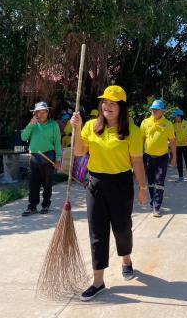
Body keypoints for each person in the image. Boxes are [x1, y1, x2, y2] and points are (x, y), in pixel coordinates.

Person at [70, 85, 147, 301]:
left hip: (121, 184)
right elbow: (78, 152)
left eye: (113, 103)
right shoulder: (91, 126)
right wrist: (76, 130)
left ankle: (126, 260)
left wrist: (143, 188)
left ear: (122, 107)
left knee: (122, 229)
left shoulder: (132, 131)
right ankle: (98, 281)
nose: (107, 106)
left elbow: (138, 162)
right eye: (105, 102)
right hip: (95, 184)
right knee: (97, 232)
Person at [21, 102, 62, 216]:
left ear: (48, 113)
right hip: (34, 157)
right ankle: (32, 206)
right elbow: (23, 137)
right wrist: (30, 124)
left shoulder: (54, 125)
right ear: (35, 113)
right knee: (33, 184)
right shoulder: (32, 125)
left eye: (44, 111)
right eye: (39, 112)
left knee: (47, 183)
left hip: (48, 157)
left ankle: (46, 205)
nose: (42, 114)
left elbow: (57, 143)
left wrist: (58, 159)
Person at [140, 99, 176, 217]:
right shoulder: (145, 122)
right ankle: (153, 199)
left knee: (159, 181)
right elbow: (141, 140)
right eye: (152, 109)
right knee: (150, 182)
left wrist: (174, 156)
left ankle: (156, 205)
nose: (154, 111)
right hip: (148, 157)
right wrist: (138, 157)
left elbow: (172, 141)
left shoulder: (168, 124)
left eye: (156, 109)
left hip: (162, 158)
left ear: (163, 111)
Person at [171, 108, 187, 183]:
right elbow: (172, 136)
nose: (175, 118)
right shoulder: (174, 125)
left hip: (186, 145)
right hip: (178, 146)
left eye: (176, 116)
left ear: (180, 116)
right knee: (179, 161)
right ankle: (180, 177)